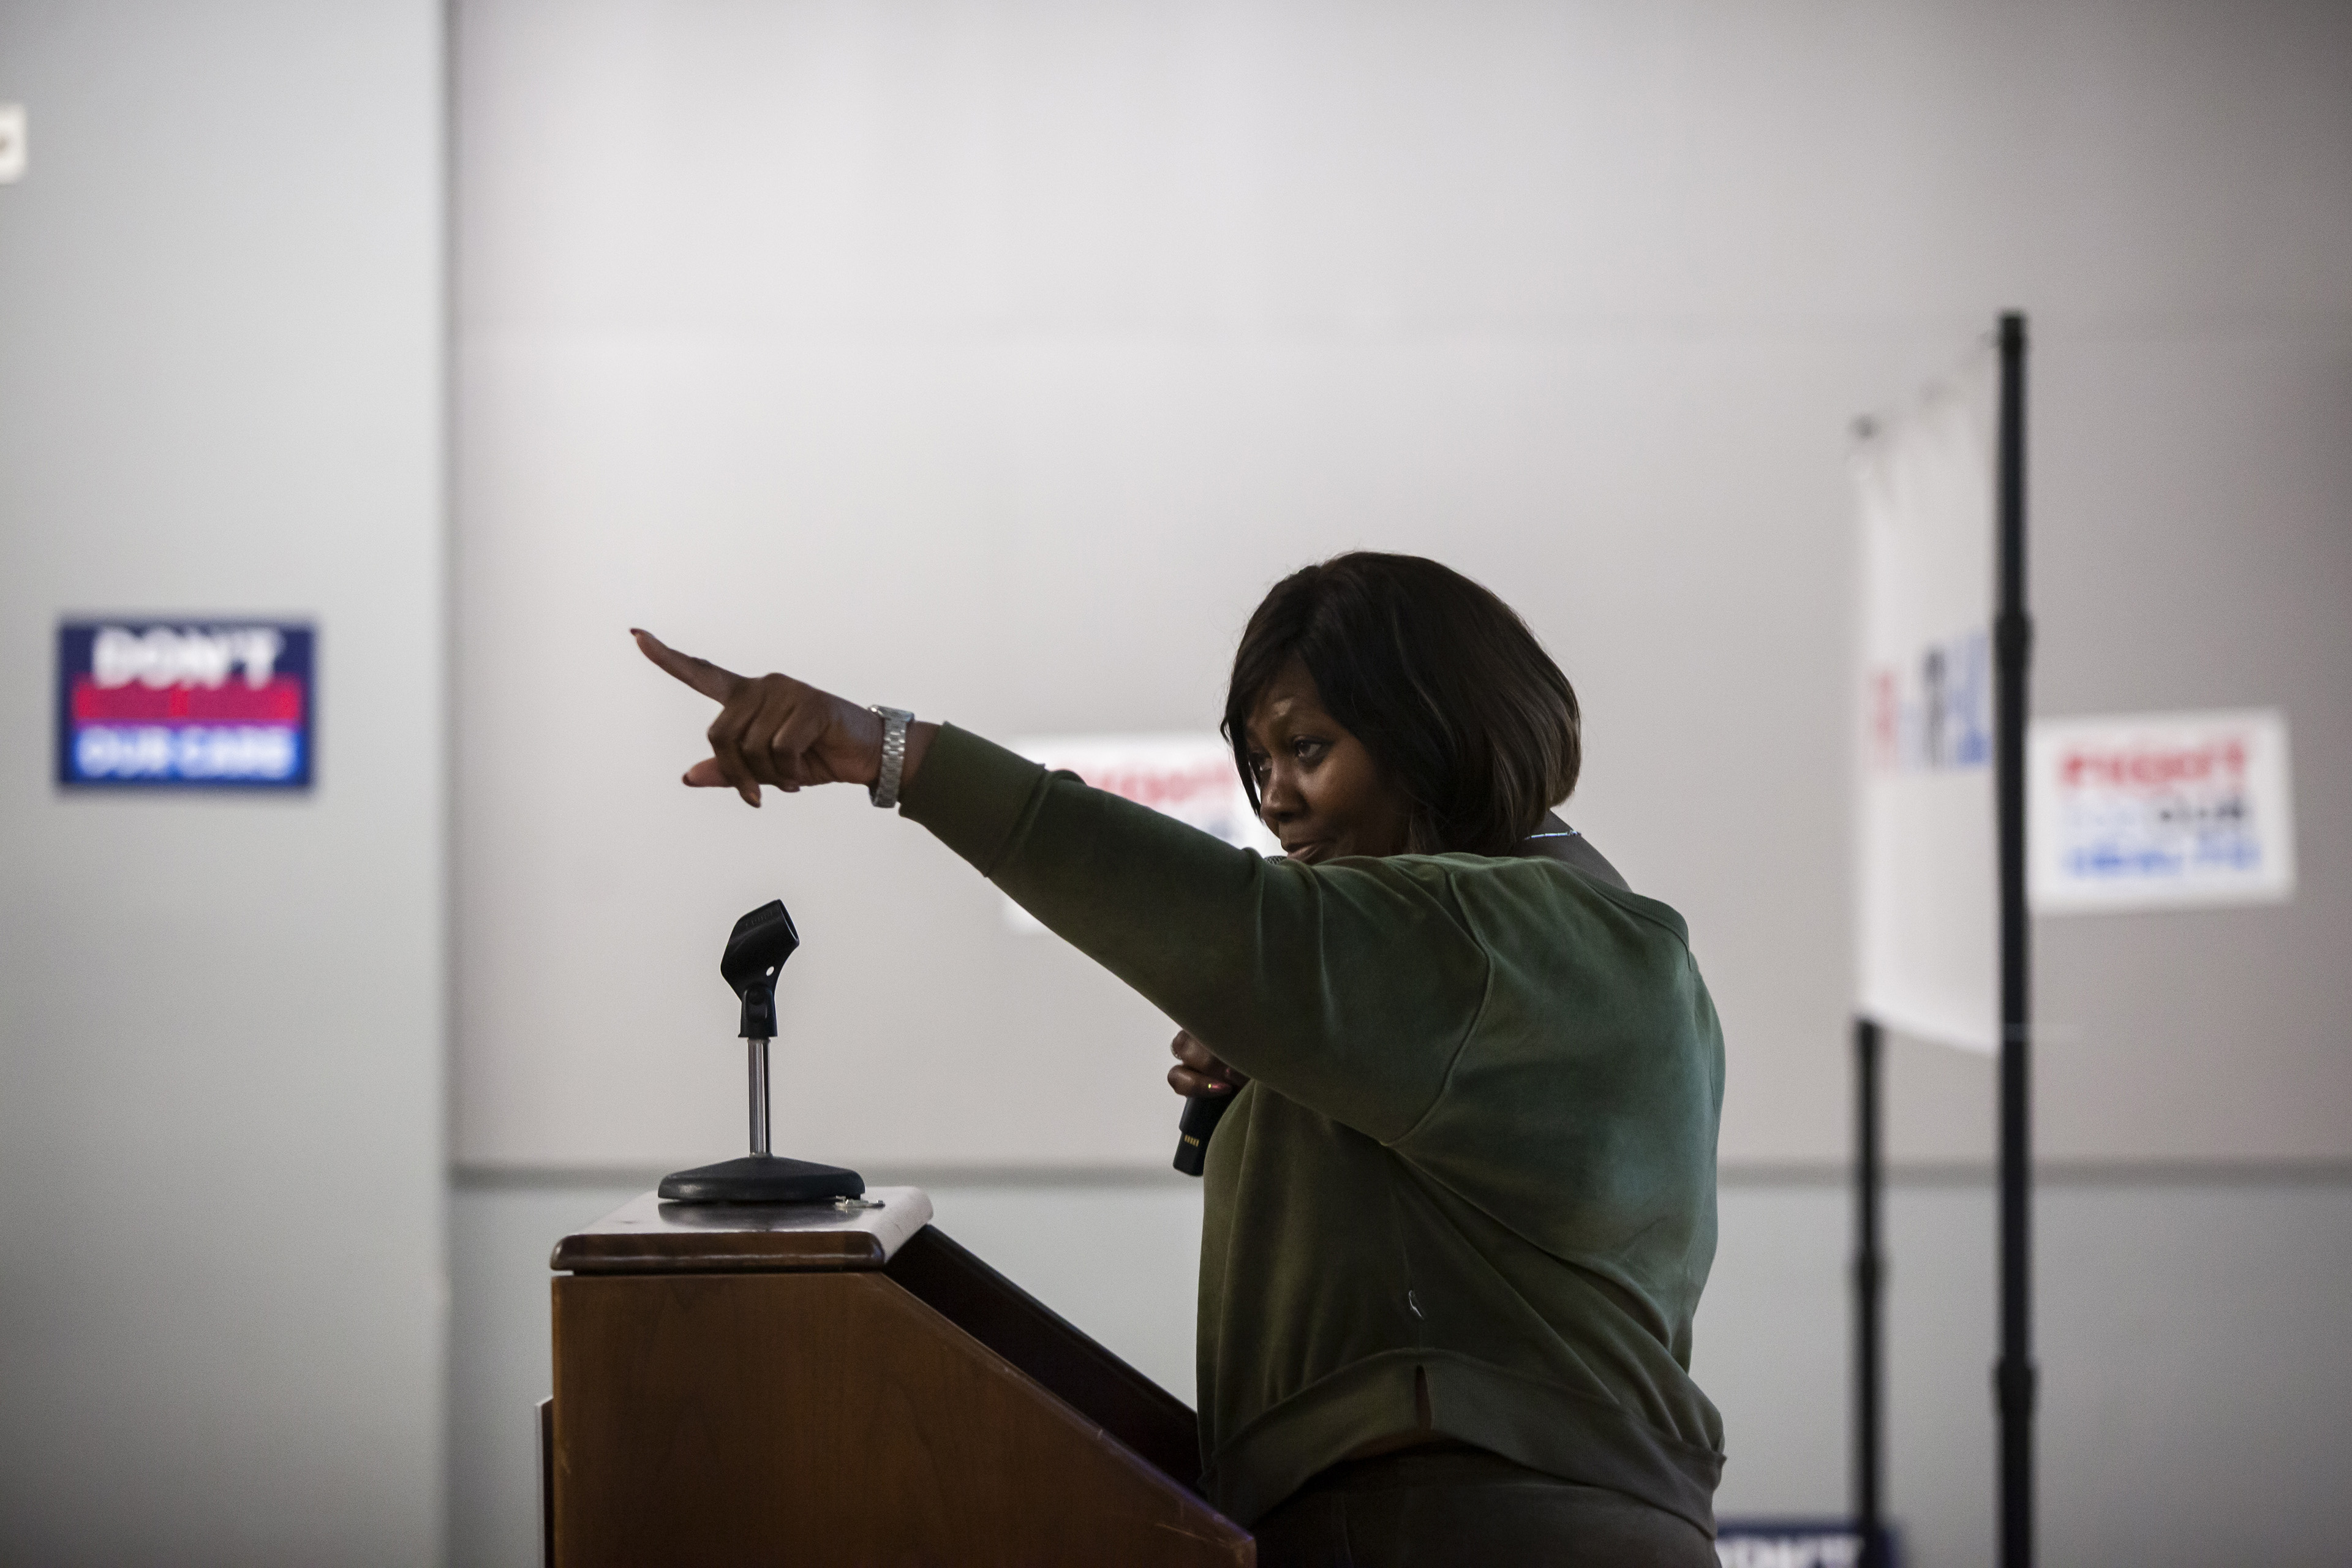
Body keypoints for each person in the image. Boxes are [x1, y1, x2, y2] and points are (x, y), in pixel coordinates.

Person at [635, 551, 1725, 1566]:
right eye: (1259, 763)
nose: (1278, 798)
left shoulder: (1529, 935)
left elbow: (1233, 920)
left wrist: (889, 754)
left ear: (1439, 729)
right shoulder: (1512, 945)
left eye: (1308, 748)